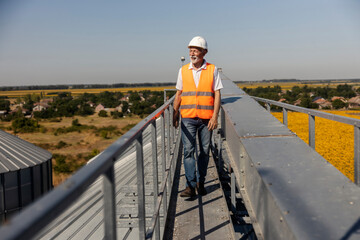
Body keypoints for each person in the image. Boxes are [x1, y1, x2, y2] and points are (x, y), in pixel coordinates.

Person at [173, 36, 223, 198]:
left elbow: (217, 93)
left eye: (195, 50)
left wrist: (215, 116)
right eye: (190, 50)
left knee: (204, 151)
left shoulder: (212, 69)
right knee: (188, 150)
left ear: (204, 52)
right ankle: (190, 185)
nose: (192, 53)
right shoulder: (183, 70)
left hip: (206, 118)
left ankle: (201, 182)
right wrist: (175, 113)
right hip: (187, 117)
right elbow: (179, 93)